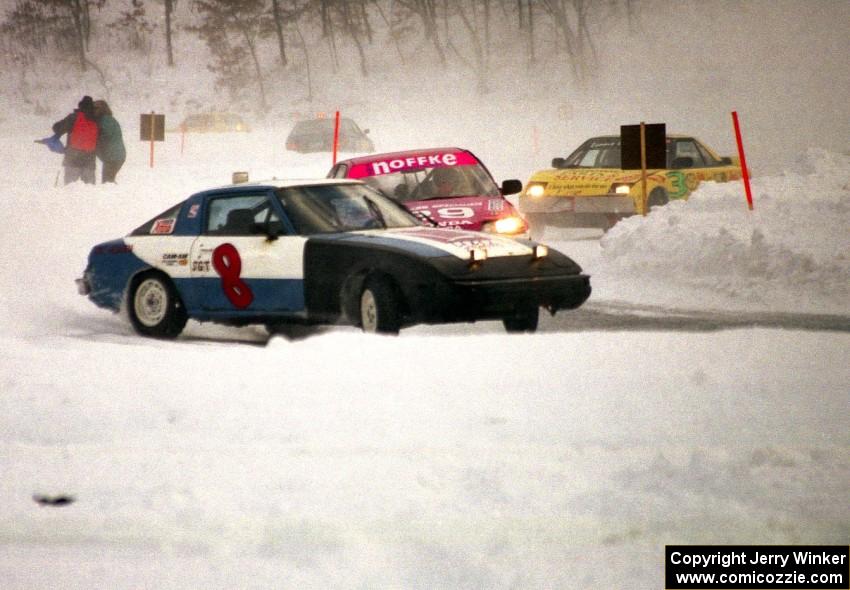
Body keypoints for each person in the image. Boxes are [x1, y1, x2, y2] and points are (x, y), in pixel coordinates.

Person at [52, 96, 99, 185]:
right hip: (90, 159)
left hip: (73, 157)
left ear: (80, 106)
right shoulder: (97, 120)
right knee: (90, 192)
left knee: (70, 190)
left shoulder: (73, 117)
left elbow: (57, 128)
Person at [93, 100, 126, 183]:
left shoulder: (105, 121)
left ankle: (120, 195)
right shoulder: (110, 119)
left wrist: (95, 143)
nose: (93, 111)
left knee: (107, 182)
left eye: (95, 108)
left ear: (101, 109)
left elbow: (105, 137)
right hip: (117, 155)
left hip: (112, 156)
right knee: (109, 180)